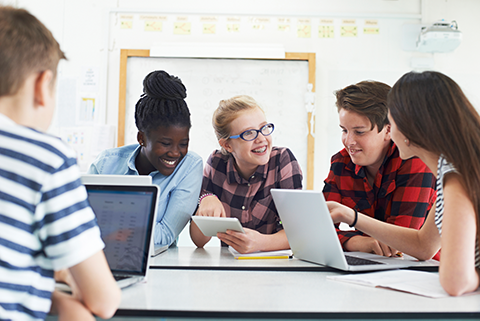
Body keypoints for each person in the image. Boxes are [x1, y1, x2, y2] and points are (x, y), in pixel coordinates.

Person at [0, 5, 120, 320]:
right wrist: (62, 290)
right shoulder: (44, 158)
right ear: (42, 85)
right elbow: (103, 301)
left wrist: (50, 296)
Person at [328, 71, 480, 296]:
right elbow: (423, 245)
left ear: (410, 127)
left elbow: (455, 282)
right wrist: (352, 217)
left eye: (392, 119)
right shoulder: (451, 170)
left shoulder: (455, 178)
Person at [88, 70, 203, 247]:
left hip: (158, 265)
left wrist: (109, 224)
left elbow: (165, 234)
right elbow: (80, 222)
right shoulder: (106, 164)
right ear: (141, 138)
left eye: (183, 143)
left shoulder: (189, 166)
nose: (175, 153)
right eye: (165, 143)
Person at [323, 81, 437, 258]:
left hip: (421, 268)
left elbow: (402, 243)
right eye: (344, 130)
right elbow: (318, 229)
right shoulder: (341, 163)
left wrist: (351, 222)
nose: (348, 141)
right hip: (372, 263)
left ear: (388, 131)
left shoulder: (414, 162)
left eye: (359, 132)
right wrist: (354, 242)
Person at [189, 95, 303, 253]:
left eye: (264, 128)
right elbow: (199, 241)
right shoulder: (216, 163)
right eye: (248, 133)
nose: (261, 138)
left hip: (275, 264)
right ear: (227, 145)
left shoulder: (283, 160)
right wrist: (205, 200)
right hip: (230, 266)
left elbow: (300, 233)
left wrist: (261, 243)